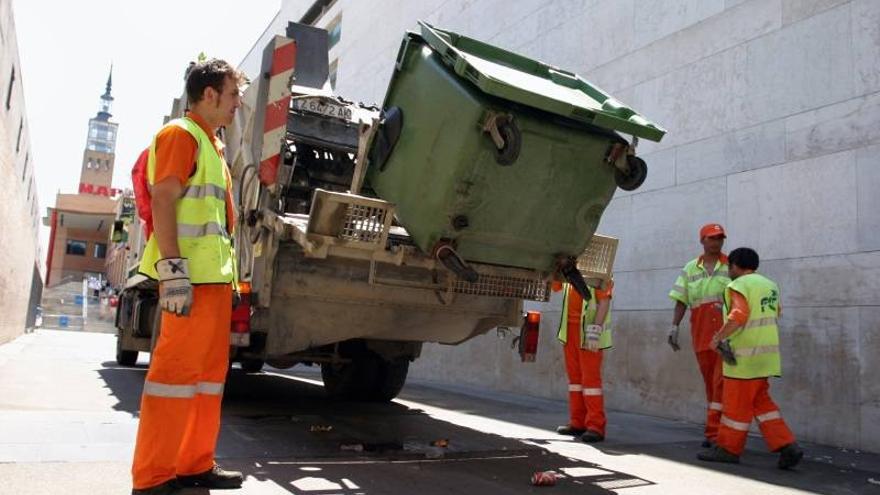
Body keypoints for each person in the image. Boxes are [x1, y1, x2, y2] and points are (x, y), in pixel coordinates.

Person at [130, 58, 243, 495]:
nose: (237, 105)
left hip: (213, 283)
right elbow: (163, 199)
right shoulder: (181, 134)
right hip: (188, 281)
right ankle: (154, 476)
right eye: (232, 95)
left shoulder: (213, 145)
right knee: (173, 378)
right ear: (210, 94)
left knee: (207, 380)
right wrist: (173, 272)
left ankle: (194, 464)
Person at [697, 247, 803, 469]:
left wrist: (718, 338)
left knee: (735, 407)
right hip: (766, 358)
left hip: (744, 359)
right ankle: (787, 446)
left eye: (729, 267)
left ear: (735, 266)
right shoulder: (769, 285)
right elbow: (776, 312)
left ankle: (728, 449)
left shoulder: (738, 285)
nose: (729, 271)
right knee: (763, 406)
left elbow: (739, 316)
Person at [668, 223, 730, 447]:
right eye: (712, 238)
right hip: (702, 335)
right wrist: (674, 327)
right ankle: (716, 432)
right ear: (702, 241)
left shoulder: (731, 265)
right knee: (711, 385)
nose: (717, 242)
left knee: (722, 384)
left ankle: (716, 434)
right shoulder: (691, 268)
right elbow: (681, 299)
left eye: (720, 238)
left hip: (726, 335)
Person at [553, 280, 613, 443]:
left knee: (590, 382)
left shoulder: (599, 270)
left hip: (588, 333)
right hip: (571, 332)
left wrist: (596, 329)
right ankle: (577, 422)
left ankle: (595, 426)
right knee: (575, 382)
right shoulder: (570, 270)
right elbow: (554, 285)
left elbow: (604, 300)